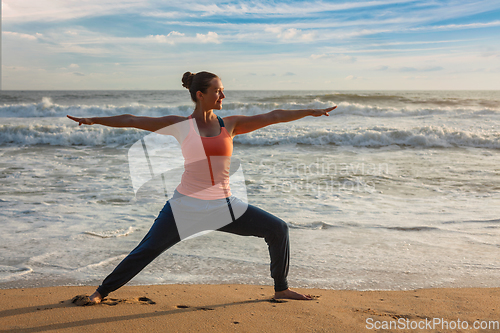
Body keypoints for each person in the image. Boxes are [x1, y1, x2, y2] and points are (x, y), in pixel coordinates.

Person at [67, 71, 336, 303]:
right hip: (185, 207)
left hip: (224, 206)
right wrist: (94, 120)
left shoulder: (230, 124)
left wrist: (309, 111)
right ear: (200, 95)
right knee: (146, 250)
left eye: (223, 91)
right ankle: (102, 291)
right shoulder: (181, 126)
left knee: (278, 229)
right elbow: (132, 119)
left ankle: (281, 289)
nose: (223, 96)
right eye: (218, 91)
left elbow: (275, 115)